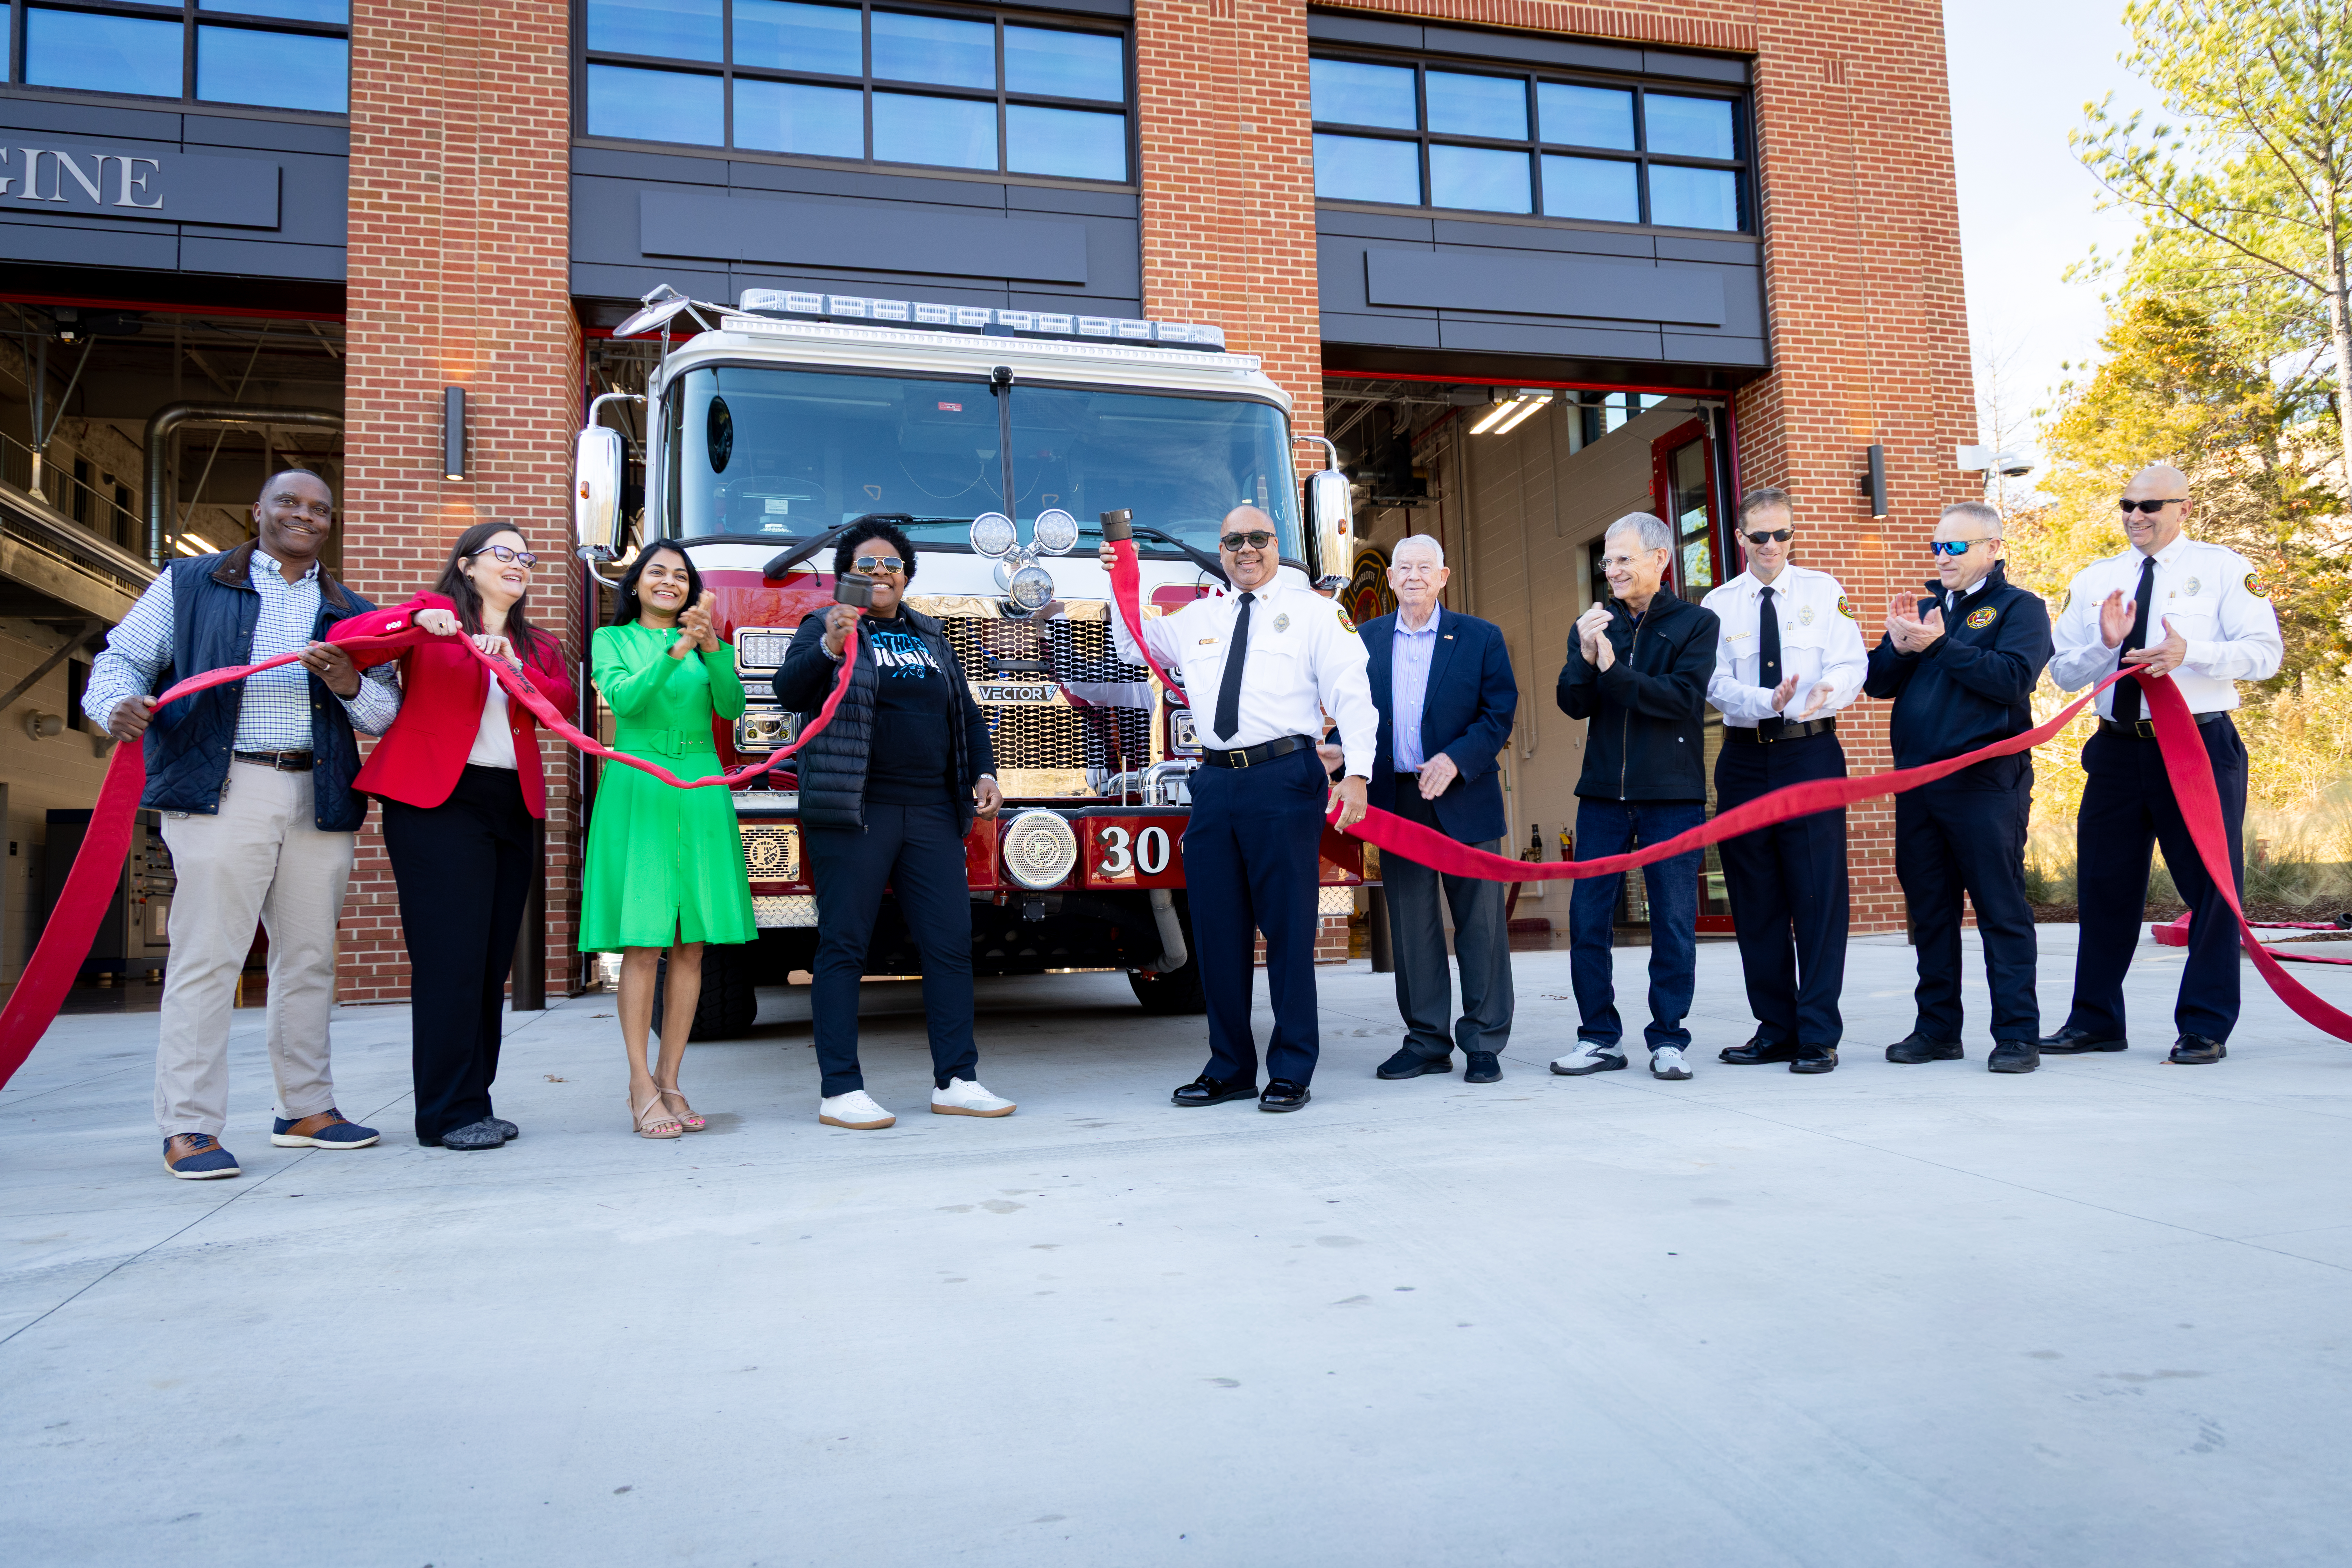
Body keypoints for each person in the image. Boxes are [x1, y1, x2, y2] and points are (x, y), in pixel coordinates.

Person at [80, 469, 396, 1179]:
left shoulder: (350, 608)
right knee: (208, 957)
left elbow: (384, 713)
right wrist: (117, 705)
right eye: (289, 502)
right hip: (223, 787)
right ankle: (189, 1124)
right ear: (259, 509)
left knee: (309, 956)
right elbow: (122, 660)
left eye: (320, 509)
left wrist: (347, 682)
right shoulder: (189, 584)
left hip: (318, 792)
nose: (305, 516)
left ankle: (307, 1107)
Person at [1100, 505, 1378, 1113]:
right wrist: (1118, 576)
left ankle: (1292, 1070)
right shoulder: (1201, 616)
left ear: (1275, 545)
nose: (1245, 550)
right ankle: (1228, 1068)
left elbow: (1353, 695)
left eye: (1257, 539)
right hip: (1216, 784)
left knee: (1287, 932)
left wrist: (1357, 773)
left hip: (1284, 777)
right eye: (1233, 541)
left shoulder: (1314, 612)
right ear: (1220, 551)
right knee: (1219, 938)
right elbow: (1131, 643)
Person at [328, 522, 576, 1150]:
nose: (519, 564)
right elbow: (344, 641)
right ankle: (444, 1113)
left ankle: (474, 1102)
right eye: (504, 553)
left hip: (511, 804)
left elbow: (562, 704)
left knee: (490, 962)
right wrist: (418, 620)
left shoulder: (535, 643)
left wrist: (517, 667)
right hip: (439, 801)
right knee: (450, 962)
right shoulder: (432, 620)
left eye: (527, 557)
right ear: (466, 566)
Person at [773, 516, 1010, 1130]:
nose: (880, 574)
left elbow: (966, 715)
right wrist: (831, 642)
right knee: (845, 946)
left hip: (932, 809)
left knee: (949, 946)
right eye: (867, 566)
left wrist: (982, 774)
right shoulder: (822, 627)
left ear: (907, 577)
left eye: (891, 566)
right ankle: (840, 1089)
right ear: (844, 575)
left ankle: (957, 1080)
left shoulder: (930, 636)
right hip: (856, 808)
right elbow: (790, 691)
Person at [2041, 463, 2282, 1066]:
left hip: (2197, 747)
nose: (2136, 516)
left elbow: (2265, 654)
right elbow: (2063, 672)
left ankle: (2203, 1025)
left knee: (2212, 889)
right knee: (2102, 888)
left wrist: (2189, 652)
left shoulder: (2223, 569)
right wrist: (2104, 645)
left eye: (2151, 505)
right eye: (2127, 504)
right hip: (2118, 747)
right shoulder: (2096, 578)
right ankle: (2095, 1020)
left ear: (2185, 508)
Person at [1863, 501, 2054, 1073]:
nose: (1943, 557)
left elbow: (2012, 681)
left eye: (1956, 547)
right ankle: (1938, 1030)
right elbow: (1876, 684)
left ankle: (2018, 1034)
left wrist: (1939, 647)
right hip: (1919, 786)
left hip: (1984, 784)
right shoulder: (1925, 612)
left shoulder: (2020, 609)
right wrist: (1900, 647)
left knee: (2000, 907)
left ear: (1993, 548)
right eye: (1937, 547)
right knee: (1931, 912)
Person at [580, 541, 755, 1139]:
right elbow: (626, 699)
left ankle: (671, 1078)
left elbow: (731, 708)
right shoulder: (613, 641)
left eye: (680, 576)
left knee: (692, 943)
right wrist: (674, 649)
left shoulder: (711, 646)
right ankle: (638, 1085)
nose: (669, 582)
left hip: (702, 788)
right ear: (636, 582)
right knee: (644, 940)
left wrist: (709, 650)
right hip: (642, 786)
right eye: (657, 571)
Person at [1549, 513, 1722, 1082]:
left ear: (1660, 560)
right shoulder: (1598, 623)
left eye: (1624, 559)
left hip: (1671, 795)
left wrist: (1611, 668)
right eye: (1608, 561)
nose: (1613, 571)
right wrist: (1582, 649)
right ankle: (1598, 1037)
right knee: (1588, 917)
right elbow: (1573, 702)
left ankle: (1669, 1038)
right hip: (1601, 794)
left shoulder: (1698, 623)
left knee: (1672, 918)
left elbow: (1680, 699)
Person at [1702, 488, 1868, 1074]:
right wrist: (1762, 700)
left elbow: (1854, 662)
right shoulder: (1719, 604)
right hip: (1745, 757)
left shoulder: (1824, 593)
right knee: (1756, 898)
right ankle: (1775, 1028)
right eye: (1761, 535)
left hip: (1811, 753)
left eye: (1784, 535)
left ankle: (1818, 1033)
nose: (1773, 545)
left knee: (1818, 894)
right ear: (1741, 538)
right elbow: (1713, 682)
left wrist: (1831, 691)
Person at [1354, 534, 1519, 1084]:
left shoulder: (1480, 638)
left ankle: (1484, 1041)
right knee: (1413, 927)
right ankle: (1427, 1041)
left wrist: (1454, 759)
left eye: (1425, 567)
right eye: (1405, 568)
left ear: (1444, 576)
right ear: (1392, 578)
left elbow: (1498, 715)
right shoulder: (1366, 639)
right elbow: (1355, 715)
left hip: (1463, 797)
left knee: (1481, 925)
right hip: (1398, 802)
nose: (1415, 576)